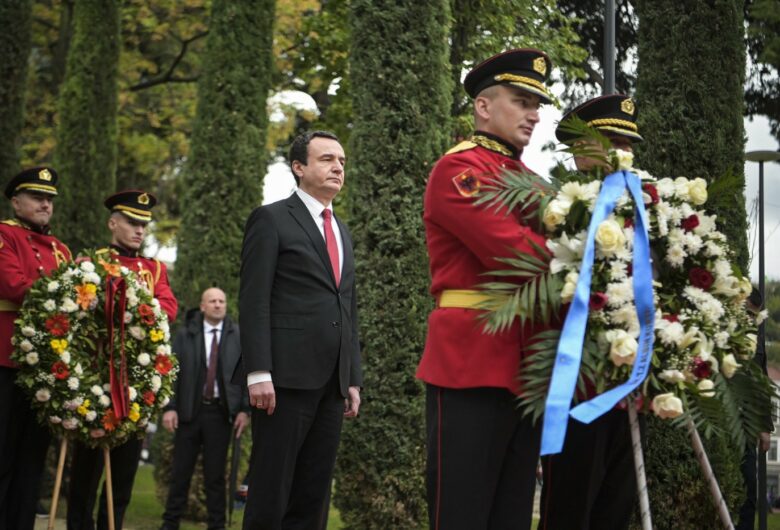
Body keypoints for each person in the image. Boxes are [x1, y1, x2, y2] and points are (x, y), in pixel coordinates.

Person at [416, 48, 555, 530]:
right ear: (483, 106)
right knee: (462, 513)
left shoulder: (532, 181)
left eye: (536, 105)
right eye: (521, 102)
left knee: (511, 514)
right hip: (471, 360)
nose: (534, 115)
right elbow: (512, 252)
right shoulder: (460, 170)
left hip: (527, 363)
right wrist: (587, 257)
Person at [238, 130, 362, 529]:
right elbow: (254, 299)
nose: (338, 167)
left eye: (341, 161)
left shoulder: (341, 230)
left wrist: (352, 378)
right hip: (283, 380)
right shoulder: (271, 218)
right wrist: (258, 371)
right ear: (298, 167)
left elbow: (347, 307)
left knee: (313, 495)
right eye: (326, 159)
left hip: (332, 384)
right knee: (271, 491)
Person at [538, 94, 644, 530]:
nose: (624, 152)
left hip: (630, 391)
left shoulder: (646, 212)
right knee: (569, 511)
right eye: (612, 142)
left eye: (628, 143)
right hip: (576, 388)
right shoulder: (558, 213)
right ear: (581, 151)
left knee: (615, 511)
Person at [67, 189, 178, 530]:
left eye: (143, 224)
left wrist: (135, 308)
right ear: (112, 223)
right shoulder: (91, 262)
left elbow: (169, 308)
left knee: (125, 471)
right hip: (97, 378)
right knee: (85, 470)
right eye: (132, 222)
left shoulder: (154, 268)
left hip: (137, 384)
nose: (139, 230)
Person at [0, 167, 71, 530]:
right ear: (16, 202)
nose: (45, 204)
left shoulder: (62, 250)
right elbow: (13, 285)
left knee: (32, 461)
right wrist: (66, 294)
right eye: (37, 198)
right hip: (5, 359)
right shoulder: (4, 234)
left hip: (45, 369)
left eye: (50, 199)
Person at [160, 287, 250, 530]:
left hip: (220, 415)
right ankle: (169, 524)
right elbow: (171, 371)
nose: (218, 305)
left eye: (221, 301)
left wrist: (245, 410)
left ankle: (217, 526)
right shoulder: (186, 334)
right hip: (189, 412)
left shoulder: (237, 336)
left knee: (215, 476)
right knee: (180, 473)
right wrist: (170, 407)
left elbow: (245, 374)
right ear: (202, 306)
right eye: (212, 301)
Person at [736, 287, 773, 529]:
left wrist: (765, 427)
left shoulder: (755, 338)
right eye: (747, 313)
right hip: (720, 419)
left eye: (754, 316)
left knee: (749, 487)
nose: (750, 320)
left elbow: (761, 379)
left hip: (747, 424)